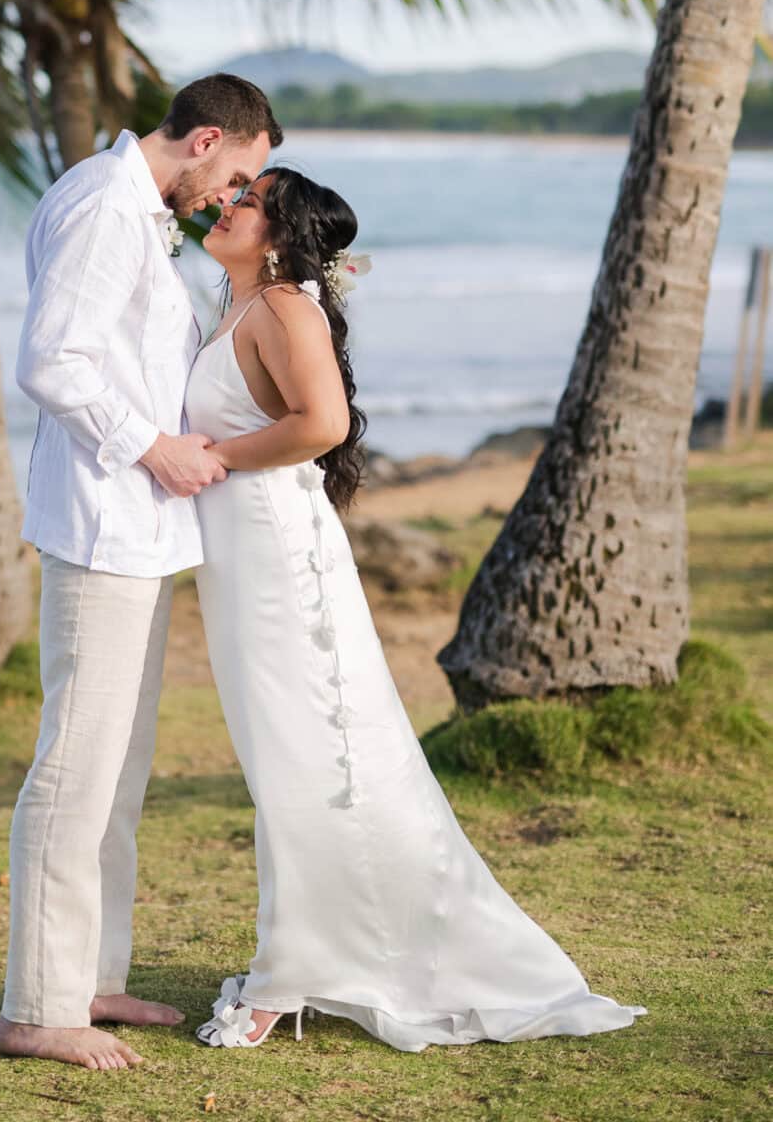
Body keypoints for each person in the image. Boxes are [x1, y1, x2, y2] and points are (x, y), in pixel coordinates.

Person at [188, 167, 645, 1053]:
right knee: (286, 756)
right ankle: (322, 946)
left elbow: (320, 424)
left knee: (305, 755)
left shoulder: (284, 308)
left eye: (248, 199)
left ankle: (290, 973)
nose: (226, 204)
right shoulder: (242, 307)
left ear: (279, 236)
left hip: (276, 554)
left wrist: (210, 454)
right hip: (242, 554)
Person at [0, 75, 283, 1072]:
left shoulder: (136, 209)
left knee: (119, 765)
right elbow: (50, 360)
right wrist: (155, 446)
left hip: (145, 529)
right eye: (239, 171)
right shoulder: (103, 206)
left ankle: (90, 976)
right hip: (103, 521)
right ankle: (37, 1002)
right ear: (205, 136)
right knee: (75, 765)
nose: (234, 194)